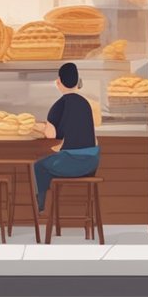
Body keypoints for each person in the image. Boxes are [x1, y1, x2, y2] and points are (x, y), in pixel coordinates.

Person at [34, 62, 100, 213]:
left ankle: (41, 205)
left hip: (71, 163)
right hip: (91, 164)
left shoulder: (59, 105)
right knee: (55, 161)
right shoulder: (86, 104)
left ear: (58, 82)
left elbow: (50, 135)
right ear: (79, 82)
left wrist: (41, 126)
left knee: (39, 166)